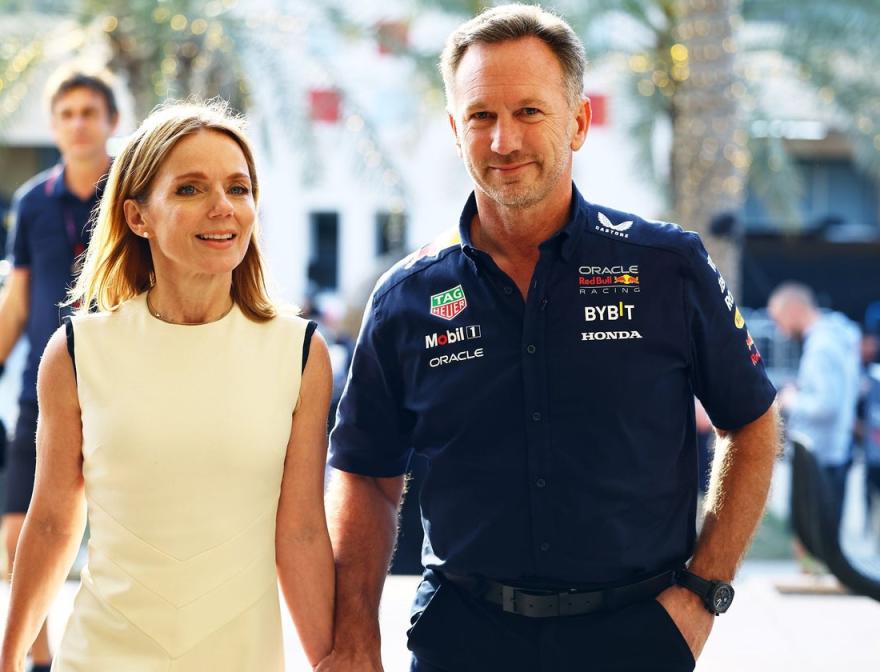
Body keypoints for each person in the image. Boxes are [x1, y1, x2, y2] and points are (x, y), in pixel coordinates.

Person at [321, 6, 781, 671]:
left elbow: (755, 425)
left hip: (636, 638)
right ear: (456, 131)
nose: (504, 141)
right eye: (480, 116)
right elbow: (365, 475)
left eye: (529, 112)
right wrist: (358, 627)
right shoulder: (405, 299)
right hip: (462, 639)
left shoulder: (667, 267)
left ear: (579, 122)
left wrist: (705, 592)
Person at [0, 100, 334, 672]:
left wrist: (332, 660)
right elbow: (52, 521)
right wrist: (7, 663)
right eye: (190, 189)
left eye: (239, 187)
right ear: (137, 216)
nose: (223, 208)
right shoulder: (78, 352)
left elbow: (300, 532)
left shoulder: (299, 353)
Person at [0, 71, 119, 671]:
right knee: (18, 537)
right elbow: (15, 303)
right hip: (41, 395)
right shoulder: (31, 202)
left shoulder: (136, 190)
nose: (78, 122)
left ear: (111, 123)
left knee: (128, 543)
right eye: (67, 112)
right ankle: (40, 664)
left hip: (123, 391)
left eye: (89, 111)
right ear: (54, 125)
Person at [767, 282, 861, 520]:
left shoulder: (821, 345)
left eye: (779, 320)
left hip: (820, 458)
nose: (781, 330)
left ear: (795, 310)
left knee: (817, 545)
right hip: (830, 454)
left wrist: (791, 399)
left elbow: (825, 405)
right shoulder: (835, 336)